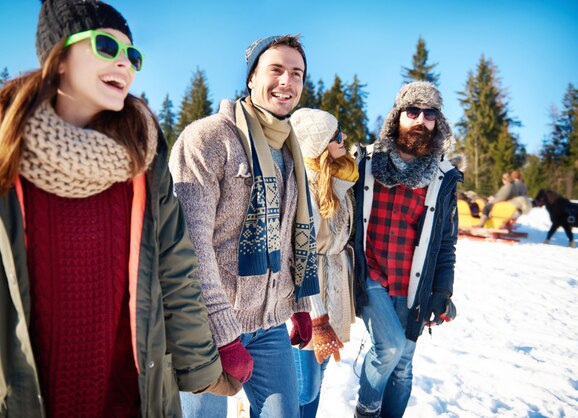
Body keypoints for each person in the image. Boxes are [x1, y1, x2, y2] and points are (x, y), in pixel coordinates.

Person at [0, 1, 223, 416]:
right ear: (58, 58)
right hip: (24, 401)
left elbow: (176, 271)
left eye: (132, 55)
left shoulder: (144, 160)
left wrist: (199, 364)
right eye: (107, 46)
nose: (125, 64)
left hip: (129, 398)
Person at [169, 35, 321, 418]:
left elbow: (289, 238)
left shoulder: (291, 152)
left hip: (269, 326)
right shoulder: (208, 139)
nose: (287, 81)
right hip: (204, 327)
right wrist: (222, 332)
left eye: (296, 73)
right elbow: (190, 246)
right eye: (276, 70)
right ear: (252, 78)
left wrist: (301, 303)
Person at [352, 81, 462, 418]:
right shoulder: (366, 163)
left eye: (429, 114)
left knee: (403, 367)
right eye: (412, 111)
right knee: (390, 347)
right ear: (397, 117)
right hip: (369, 275)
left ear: (437, 122)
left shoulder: (443, 178)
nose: (420, 120)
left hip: (413, 283)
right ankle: (366, 411)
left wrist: (442, 290)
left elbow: (446, 243)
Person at [290, 108, 358, 417]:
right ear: (319, 143)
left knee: (317, 381)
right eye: (336, 135)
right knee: (302, 387)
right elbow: (299, 255)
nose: (343, 139)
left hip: (333, 285)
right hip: (308, 298)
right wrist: (316, 318)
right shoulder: (305, 186)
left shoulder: (335, 181)